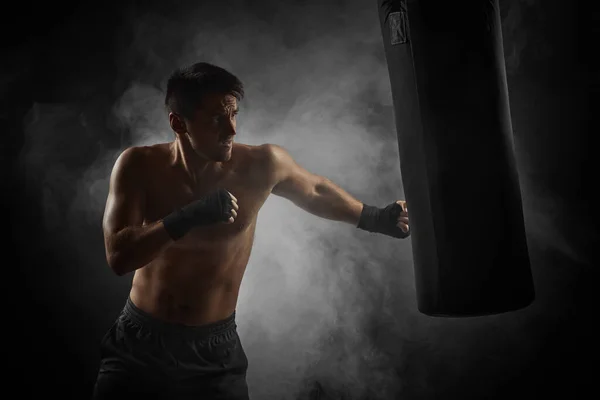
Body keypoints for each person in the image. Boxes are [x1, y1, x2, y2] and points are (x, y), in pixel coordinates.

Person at [92, 62, 410, 400]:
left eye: (234, 114)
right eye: (217, 118)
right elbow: (118, 255)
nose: (231, 129)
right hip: (141, 346)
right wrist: (184, 219)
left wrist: (375, 218)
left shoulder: (261, 164)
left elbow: (314, 190)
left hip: (214, 353)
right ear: (178, 122)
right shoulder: (137, 166)